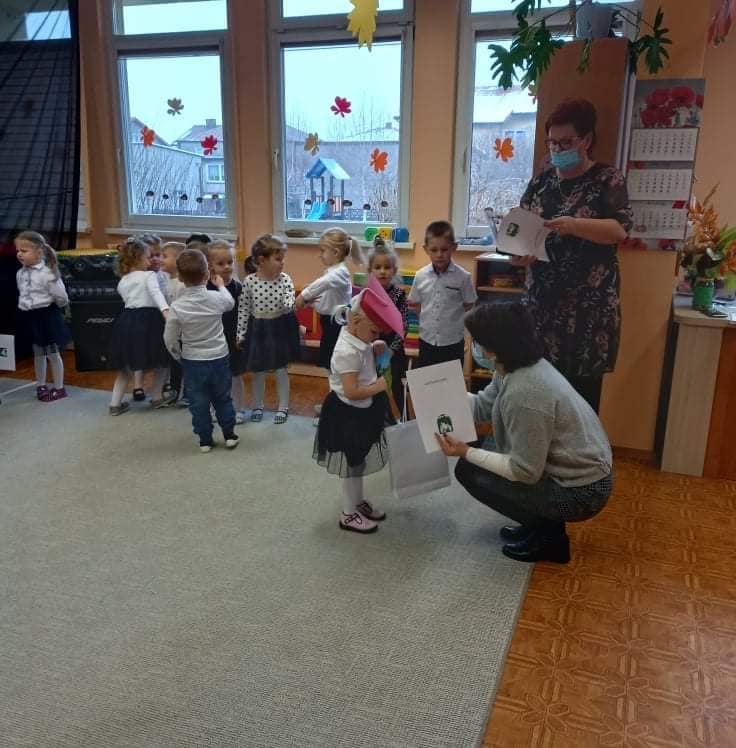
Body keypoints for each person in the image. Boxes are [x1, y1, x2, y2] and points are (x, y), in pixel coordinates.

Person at [436, 302, 613, 564]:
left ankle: (550, 538)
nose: (473, 347)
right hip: (576, 474)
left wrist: (466, 451)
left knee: (470, 471)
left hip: (583, 493)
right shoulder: (518, 366)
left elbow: (525, 471)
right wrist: (440, 395)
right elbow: (483, 405)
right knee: (481, 457)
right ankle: (539, 525)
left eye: (477, 341)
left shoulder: (525, 393)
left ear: (493, 347)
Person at [514, 98, 633, 413]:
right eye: (552, 142)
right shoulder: (541, 183)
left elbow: (619, 229)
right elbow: (523, 229)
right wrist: (519, 254)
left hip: (588, 313)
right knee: (538, 401)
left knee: (581, 407)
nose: (557, 149)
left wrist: (575, 225)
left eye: (565, 143)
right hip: (542, 310)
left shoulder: (607, 179)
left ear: (587, 140)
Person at [313, 286, 403, 534]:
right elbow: (352, 391)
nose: (375, 335)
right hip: (348, 413)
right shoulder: (346, 351)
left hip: (363, 410)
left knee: (358, 462)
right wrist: (379, 386)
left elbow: (364, 358)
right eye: (374, 331)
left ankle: (357, 502)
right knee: (351, 465)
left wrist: (374, 347)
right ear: (354, 321)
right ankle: (348, 513)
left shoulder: (359, 339)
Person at [163, 249, 239, 453]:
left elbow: (169, 338)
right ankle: (229, 435)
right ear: (207, 275)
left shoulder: (177, 307)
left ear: (180, 278)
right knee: (223, 398)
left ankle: (205, 440)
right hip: (219, 357)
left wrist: (177, 355)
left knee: (198, 402)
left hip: (192, 361)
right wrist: (221, 286)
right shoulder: (215, 298)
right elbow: (230, 303)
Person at [295, 227, 365, 420]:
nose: (320, 255)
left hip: (337, 326)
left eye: (322, 251)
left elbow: (322, 284)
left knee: (336, 368)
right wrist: (310, 302)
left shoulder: (339, 273)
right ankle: (334, 403)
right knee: (331, 367)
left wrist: (304, 296)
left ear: (335, 252)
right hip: (330, 324)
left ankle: (336, 408)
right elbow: (326, 299)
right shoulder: (334, 272)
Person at [236, 234, 300, 424]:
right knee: (258, 371)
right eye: (278, 259)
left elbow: (289, 302)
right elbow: (244, 309)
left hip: (279, 328)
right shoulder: (250, 281)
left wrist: (291, 303)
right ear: (262, 260)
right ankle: (258, 405)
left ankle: (283, 407)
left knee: (281, 370)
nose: (282, 263)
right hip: (258, 329)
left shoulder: (285, 279)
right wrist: (241, 333)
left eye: (283, 258)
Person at [107, 237, 175, 415]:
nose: (149, 261)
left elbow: (129, 300)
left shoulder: (123, 280)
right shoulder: (149, 275)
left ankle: (115, 404)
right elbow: (156, 294)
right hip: (149, 321)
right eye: (146, 257)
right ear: (137, 259)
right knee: (162, 362)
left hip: (126, 322)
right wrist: (166, 311)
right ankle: (157, 397)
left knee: (125, 367)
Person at [408, 220, 477, 368]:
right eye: (434, 250)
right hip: (427, 340)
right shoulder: (420, 276)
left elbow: (469, 304)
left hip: (452, 342)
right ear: (426, 249)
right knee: (428, 378)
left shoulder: (463, 277)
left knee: (452, 380)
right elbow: (417, 305)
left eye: (444, 249)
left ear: (454, 247)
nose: (439, 254)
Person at [14, 230, 69, 402]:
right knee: (38, 353)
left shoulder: (48, 273)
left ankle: (59, 388)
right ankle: (41, 384)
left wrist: (55, 309)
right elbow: (23, 294)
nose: (19, 254)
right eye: (18, 250)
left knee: (52, 353)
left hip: (47, 315)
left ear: (39, 252)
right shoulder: (20, 273)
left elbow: (62, 297)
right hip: (32, 316)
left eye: (24, 250)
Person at [207, 239, 248, 423]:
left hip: (233, 339)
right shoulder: (206, 288)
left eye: (230, 262)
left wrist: (243, 335)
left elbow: (244, 313)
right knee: (214, 377)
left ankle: (238, 409)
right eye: (221, 263)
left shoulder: (238, 287)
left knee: (235, 376)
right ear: (210, 265)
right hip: (213, 339)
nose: (226, 267)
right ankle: (214, 409)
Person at [368, 235, 408, 415]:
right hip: (373, 350)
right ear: (370, 270)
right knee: (376, 386)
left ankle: (405, 419)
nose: (382, 271)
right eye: (377, 267)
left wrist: (391, 350)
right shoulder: (367, 294)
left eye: (387, 267)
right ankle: (384, 419)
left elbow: (404, 326)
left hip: (394, 350)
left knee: (398, 387)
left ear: (394, 270)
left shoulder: (399, 295)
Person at [161, 241, 187, 402]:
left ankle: (188, 392)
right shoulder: (165, 280)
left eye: (165, 256)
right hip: (171, 329)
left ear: (177, 260)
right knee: (174, 362)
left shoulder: (182, 284)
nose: (161, 259)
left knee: (185, 362)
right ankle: (175, 389)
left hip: (183, 331)